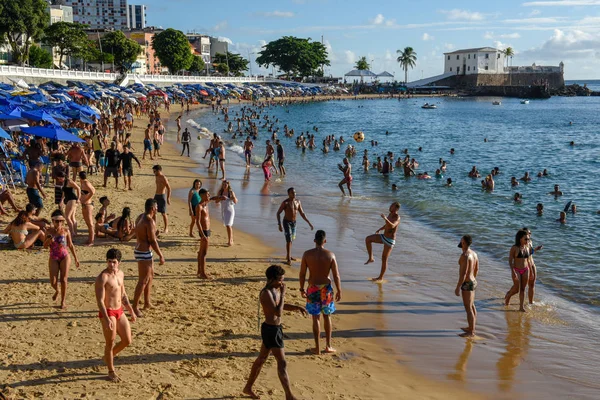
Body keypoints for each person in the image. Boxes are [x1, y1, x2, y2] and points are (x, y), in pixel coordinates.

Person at [243, 265, 307, 400]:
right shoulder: (266, 293)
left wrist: (296, 307)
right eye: (280, 280)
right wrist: (283, 293)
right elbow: (277, 311)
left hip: (275, 329)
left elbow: (281, 306)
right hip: (271, 330)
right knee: (282, 362)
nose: (282, 283)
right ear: (272, 279)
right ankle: (289, 395)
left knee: (261, 359)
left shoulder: (275, 290)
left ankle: (248, 387)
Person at [95, 248, 136, 382]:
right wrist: (106, 318)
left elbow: (123, 294)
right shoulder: (103, 277)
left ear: (119, 262)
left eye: (114, 262)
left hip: (119, 310)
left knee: (127, 340)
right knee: (110, 342)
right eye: (109, 262)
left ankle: (108, 357)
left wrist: (131, 310)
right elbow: (100, 300)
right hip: (108, 311)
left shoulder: (121, 274)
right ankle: (111, 371)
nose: (111, 265)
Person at [299, 230, 342, 355]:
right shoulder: (330, 255)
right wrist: (339, 290)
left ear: (314, 241)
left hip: (312, 287)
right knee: (327, 316)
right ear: (325, 241)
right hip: (326, 288)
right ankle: (328, 346)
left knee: (315, 317)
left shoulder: (307, 254)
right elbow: (336, 275)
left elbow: (302, 273)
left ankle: (317, 348)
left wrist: (301, 288)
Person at [132, 198, 165, 317]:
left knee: (150, 277)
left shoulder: (140, 217)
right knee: (143, 280)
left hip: (141, 249)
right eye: (156, 207)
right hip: (144, 252)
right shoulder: (148, 221)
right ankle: (134, 307)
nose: (157, 209)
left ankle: (147, 302)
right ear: (152, 208)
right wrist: (161, 255)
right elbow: (152, 240)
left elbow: (144, 235)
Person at [44, 210, 80, 309]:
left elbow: (70, 245)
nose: (59, 223)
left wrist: (76, 258)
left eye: (61, 221)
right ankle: (57, 290)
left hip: (64, 256)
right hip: (53, 256)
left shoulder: (66, 231)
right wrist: (48, 240)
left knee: (64, 279)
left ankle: (63, 301)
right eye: (57, 221)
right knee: (53, 281)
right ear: (53, 221)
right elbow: (44, 246)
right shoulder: (48, 231)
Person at [364, 202, 401, 282]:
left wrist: (385, 218)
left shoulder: (397, 217)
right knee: (368, 239)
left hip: (390, 240)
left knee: (384, 259)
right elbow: (387, 225)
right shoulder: (390, 214)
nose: (390, 207)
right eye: (390, 205)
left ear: (396, 209)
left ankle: (380, 277)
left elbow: (392, 225)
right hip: (384, 237)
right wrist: (380, 229)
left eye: (392, 206)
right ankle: (371, 258)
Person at [276, 188, 314, 265]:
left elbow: (302, 213)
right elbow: (278, 213)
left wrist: (309, 222)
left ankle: (288, 255)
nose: (294, 194)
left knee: (291, 239)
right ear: (288, 194)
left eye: (295, 192)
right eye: (292, 192)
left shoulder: (298, 202)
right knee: (289, 240)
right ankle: (289, 258)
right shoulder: (285, 202)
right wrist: (279, 224)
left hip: (294, 223)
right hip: (286, 222)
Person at [454, 234, 479, 338]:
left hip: (467, 283)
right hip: (473, 281)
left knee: (468, 308)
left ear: (463, 242)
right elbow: (477, 269)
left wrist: (458, 287)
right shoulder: (474, 254)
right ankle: (471, 327)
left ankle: (471, 332)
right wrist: (473, 279)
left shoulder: (465, 256)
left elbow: (463, 274)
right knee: (472, 306)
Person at [505, 229, 531, 312]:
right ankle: (508, 295)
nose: (527, 240)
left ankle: (521, 307)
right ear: (520, 239)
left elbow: (529, 259)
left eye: (528, 239)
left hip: (526, 269)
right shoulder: (514, 248)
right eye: (525, 239)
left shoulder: (527, 247)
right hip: (516, 269)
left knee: (523, 289)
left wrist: (532, 272)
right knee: (516, 289)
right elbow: (510, 260)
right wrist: (513, 272)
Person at [196, 188, 213, 279]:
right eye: (207, 194)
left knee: (201, 252)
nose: (208, 196)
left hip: (207, 230)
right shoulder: (199, 206)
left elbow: (212, 199)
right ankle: (203, 273)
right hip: (204, 231)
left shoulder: (206, 203)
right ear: (202, 195)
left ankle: (199, 270)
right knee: (204, 253)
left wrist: (220, 197)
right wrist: (202, 235)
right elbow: (197, 222)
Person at [214, 180, 237, 246]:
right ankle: (231, 239)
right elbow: (216, 201)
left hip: (230, 210)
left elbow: (235, 201)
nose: (224, 186)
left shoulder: (231, 192)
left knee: (228, 225)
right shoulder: (220, 192)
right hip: (223, 210)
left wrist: (233, 197)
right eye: (223, 184)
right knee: (228, 225)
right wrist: (221, 198)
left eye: (226, 184)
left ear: (228, 185)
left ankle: (230, 241)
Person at [152, 165, 171, 234]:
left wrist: (168, 198)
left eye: (154, 171)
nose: (154, 172)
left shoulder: (163, 178)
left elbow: (169, 188)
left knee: (163, 213)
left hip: (162, 196)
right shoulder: (156, 176)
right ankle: (154, 227)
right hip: (156, 195)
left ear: (159, 170)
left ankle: (166, 228)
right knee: (154, 212)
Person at [79, 172, 96, 245]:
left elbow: (92, 192)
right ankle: (89, 239)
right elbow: (94, 189)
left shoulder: (86, 183)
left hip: (87, 204)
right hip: (86, 204)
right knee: (88, 223)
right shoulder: (84, 182)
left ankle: (91, 241)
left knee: (90, 224)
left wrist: (86, 200)